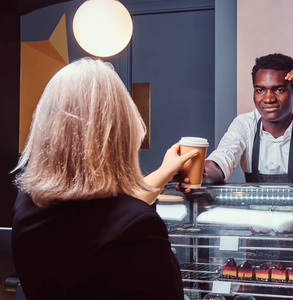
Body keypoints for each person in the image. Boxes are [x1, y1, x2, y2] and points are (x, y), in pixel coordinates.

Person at [11, 58, 197, 300]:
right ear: (121, 131)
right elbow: (117, 220)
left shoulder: (26, 205)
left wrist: (164, 172)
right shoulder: (139, 227)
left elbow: (100, 219)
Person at [204, 53, 293, 184]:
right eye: (260, 90)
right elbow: (219, 163)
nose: (268, 99)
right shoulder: (245, 124)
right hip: (255, 208)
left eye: (279, 90)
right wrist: (192, 173)